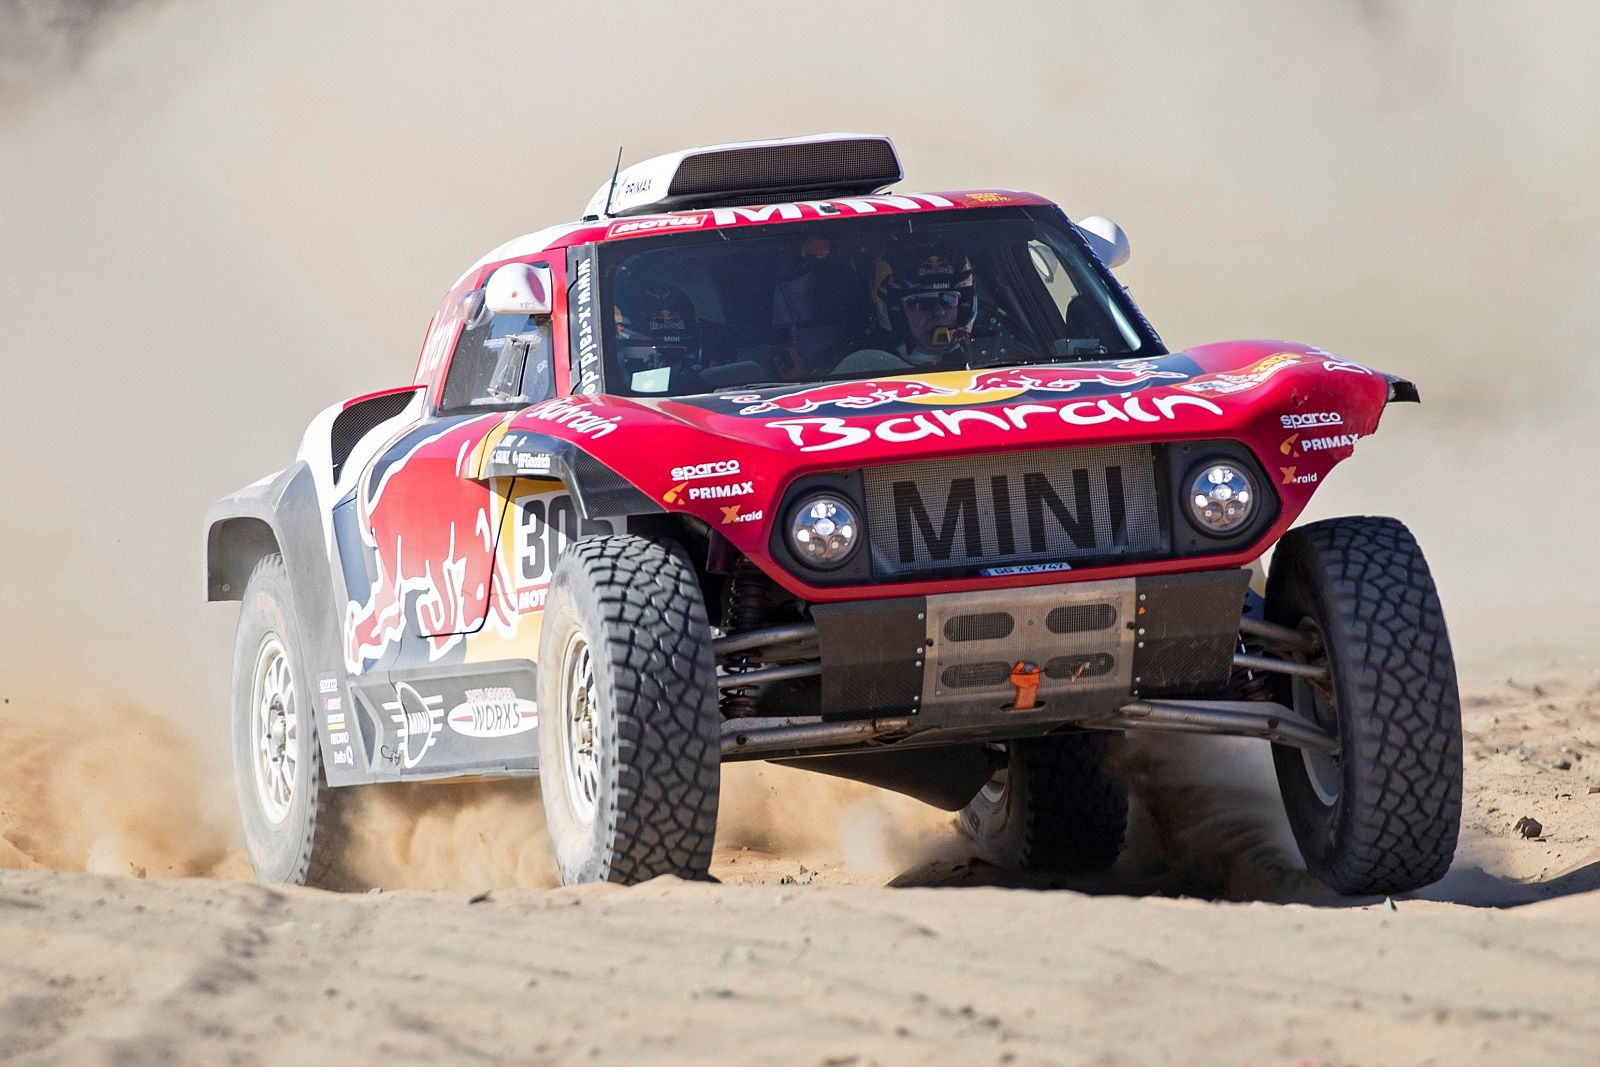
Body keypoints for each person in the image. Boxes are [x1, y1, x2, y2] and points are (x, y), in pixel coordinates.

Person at [871, 244, 978, 367]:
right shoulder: (865, 366)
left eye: (949, 299)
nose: (939, 311)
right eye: (921, 302)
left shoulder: (988, 356)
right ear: (896, 312)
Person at [613, 277, 704, 393]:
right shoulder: (612, 390)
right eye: (655, 353)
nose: (663, 363)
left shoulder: (708, 384)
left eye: (673, 355)